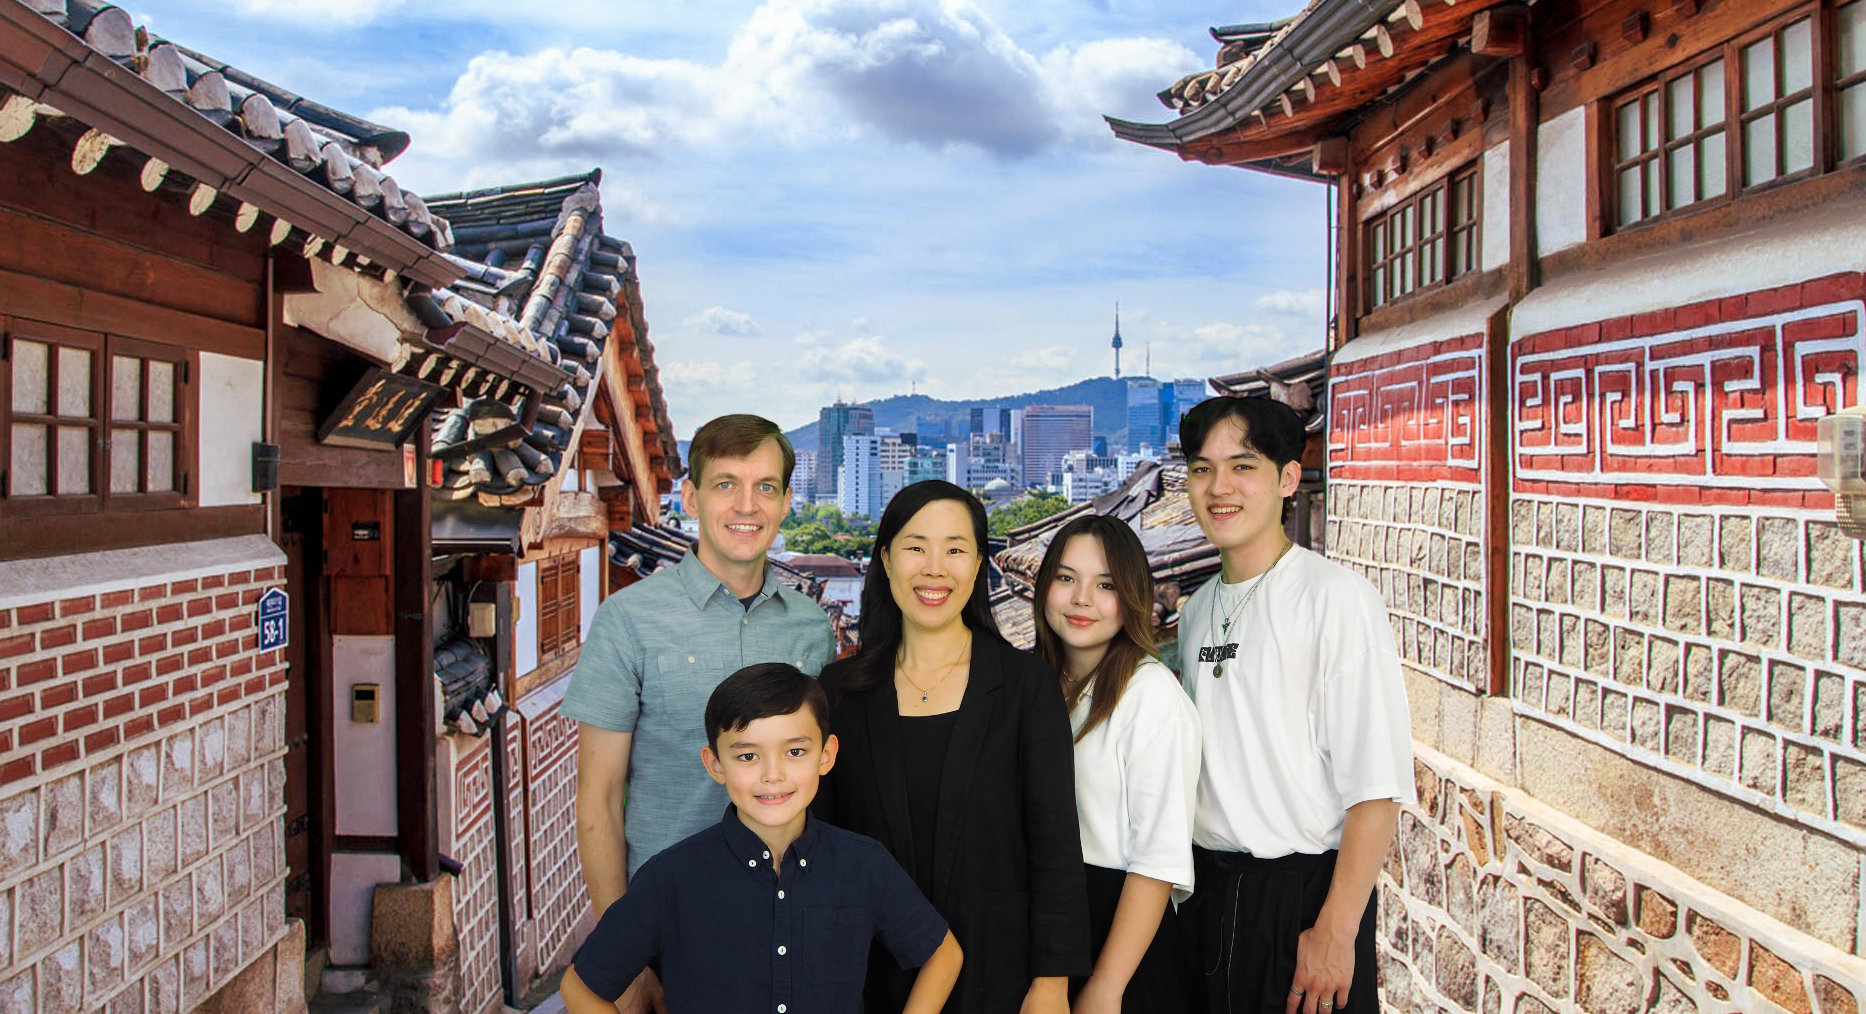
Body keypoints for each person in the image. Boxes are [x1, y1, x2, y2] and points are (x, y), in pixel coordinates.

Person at [566, 414, 836, 1013]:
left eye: (766, 486)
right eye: (725, 484)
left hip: (792, 924)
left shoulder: (812, 629)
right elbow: (599, 799)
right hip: (667, 932)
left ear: (788, 502)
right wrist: (626, 954)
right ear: (690, 497)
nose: (747, 505)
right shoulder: (628, 620)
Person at [1173, 396, 1415, 1014]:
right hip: (1207, 896)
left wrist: (1335, 931)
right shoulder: (1195, 611)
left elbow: (1376, 786)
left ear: (1286, 478)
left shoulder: (1337, 599)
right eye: (1202, 469)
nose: (1218, 488)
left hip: (1302, 900)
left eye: (1242, 466)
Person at [815, 480, 1091, 1014]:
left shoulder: (1024, 686)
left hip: (999, 976)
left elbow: (1055, 845)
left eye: (956, 550)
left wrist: (1051, 984)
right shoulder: (839, 692)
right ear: (886, 560)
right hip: (869, 977)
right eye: (916, 547)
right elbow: (820, 849)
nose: (935, 568)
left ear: (980, 564)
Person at [561, 663, 965, 1014]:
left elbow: (943, 954)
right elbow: (580, 986)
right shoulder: (671, 879)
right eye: (748, 756)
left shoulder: (864, 865)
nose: (773, 774)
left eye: (795, 752)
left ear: (826, 755)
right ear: (715, 764)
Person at [1031, 515, 1200, 1014]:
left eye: (1105, 585)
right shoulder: (1037, 686)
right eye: (1066, 578)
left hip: (1120, 943)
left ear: (1132, 598)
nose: (1082, 599)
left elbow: (1159, 860)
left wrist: (1106, 989)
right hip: (1050, 932)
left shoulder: (1150, 696)